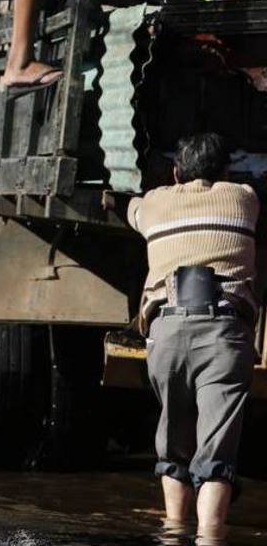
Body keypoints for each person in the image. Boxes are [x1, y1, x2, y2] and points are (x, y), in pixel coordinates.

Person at [127, 133, 258, 542]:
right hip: (223, 333)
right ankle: (211, 538)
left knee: (173, 445)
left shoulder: (153, 204)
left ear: (176, 173)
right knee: (216, 452)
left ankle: (172, 535)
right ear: (225, 172)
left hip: (165, 332)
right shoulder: (244, 198)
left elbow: (129, 207)